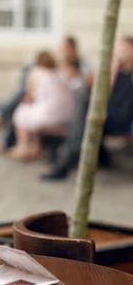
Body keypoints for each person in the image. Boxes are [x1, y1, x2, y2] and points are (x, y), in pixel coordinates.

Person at [41, 37, 133, 181]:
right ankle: (71, 156)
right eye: (119, 49)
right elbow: (103, 90)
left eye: (126, 49)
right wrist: (114, 68)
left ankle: (65, 160)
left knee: (83, 107)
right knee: (84, 108)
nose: (121, 53)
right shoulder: (118, 72)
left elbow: (109, 94)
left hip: (123, 117)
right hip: (109, 113)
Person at [10, 51, 75, 161]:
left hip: (48, 116)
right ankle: (36, 147)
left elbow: (29, 97)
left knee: (22, 112)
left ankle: (23, 147)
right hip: (68, 116)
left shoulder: (36, 72)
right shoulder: (60, 73)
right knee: (34, 113)